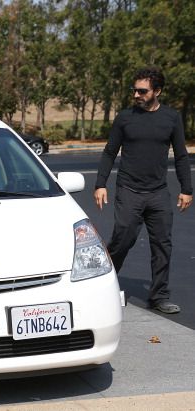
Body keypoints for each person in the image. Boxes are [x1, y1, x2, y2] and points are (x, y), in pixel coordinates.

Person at [94, 67, 192, 314]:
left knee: (162, 244)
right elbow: (109, 152)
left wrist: (186, 189)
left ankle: (159, 296)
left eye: (142, 90)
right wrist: (100, 184)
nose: (136, 94)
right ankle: (103, 287)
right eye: (134, 90)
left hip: (158, 193)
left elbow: (181, 155)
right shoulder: (125, 118)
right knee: (122, 239)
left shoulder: (171, 118)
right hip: (129, 190)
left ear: (157, 91)